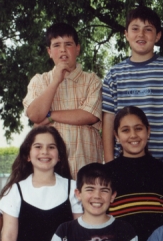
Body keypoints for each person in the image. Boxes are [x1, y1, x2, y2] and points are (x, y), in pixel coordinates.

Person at [101, 7, 163, 170]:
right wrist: (109, 160)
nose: (141, 34)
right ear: (126, 34)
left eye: (148, 29)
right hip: (123, 163)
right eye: (135, 29)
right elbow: (108, 120)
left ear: (158, 36)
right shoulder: (114, 74)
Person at [24, 23, 103, 176]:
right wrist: (55, 82)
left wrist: (49, 115)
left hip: (86, 170)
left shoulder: (92, 80)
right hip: (50, 172)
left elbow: (89, 115)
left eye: (68, 44)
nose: (63, 50)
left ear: (78, 48)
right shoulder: (39, 81)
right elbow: (34, 115)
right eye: (56, 45)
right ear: (49, 51)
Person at [105, 106, 163, 241]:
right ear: (116, 136)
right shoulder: (106, 173)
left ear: (148, 131)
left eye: (138, 128)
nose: (133, 135)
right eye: (125, 130)